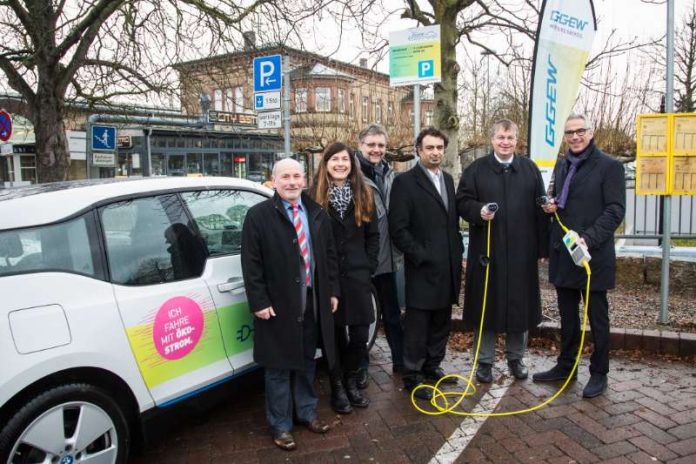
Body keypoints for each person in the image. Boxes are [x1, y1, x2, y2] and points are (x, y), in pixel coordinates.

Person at [241, 158, 339, 451]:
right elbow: (251, 263)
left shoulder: (317, 213)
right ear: (273, 181)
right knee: (278, 367)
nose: (292, 182)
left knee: (308, 360)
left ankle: (307, 412)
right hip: (278, 305)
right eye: (285, 177)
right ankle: (281, 426)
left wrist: (332, 291)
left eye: (297, 176)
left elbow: (329, 257)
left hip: (311, 300)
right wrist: (259, 300)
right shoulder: (258, 216)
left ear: (305, 180)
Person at [532, 114, 625, 398]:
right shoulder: (562, 165)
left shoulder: (610, 166)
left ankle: (599, 373)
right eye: (569, 132)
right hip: (565, 254)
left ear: (591, 132)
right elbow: (563, 205)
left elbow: (615, 210)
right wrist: (552, 209)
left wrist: (589, 238)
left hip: (592, 256)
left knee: (597, 318)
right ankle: (566, 366)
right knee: (568, 316)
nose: (575, 136)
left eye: (580, 131)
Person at [456, 119, 549, 384]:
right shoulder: (476, 170)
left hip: (522, 252)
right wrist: (479, 211)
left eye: (510, 137)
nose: (505, 142)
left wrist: (542, 247)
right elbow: (462, 202)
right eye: (500, 137)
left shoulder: (529, 170)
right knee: (487, 307)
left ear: (516, 140)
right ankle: (484, 361)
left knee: (519, 308)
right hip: (489, 252)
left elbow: (540, 209)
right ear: (492, 139)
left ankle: (515, 358)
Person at [388, 127, 463, 400]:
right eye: (429, 148)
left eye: (439, 148)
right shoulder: (405, 182)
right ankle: (413, 374)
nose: (435, 152)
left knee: (441, 321)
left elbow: (450, 221)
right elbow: (398, 229)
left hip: (448, 266)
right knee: (418, 325)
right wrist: (420, 256)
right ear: (418, 150)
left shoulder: (448, 179)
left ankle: (432, 366)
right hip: (422, 269)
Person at [310, 142, 379, 414]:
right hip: (328, 278)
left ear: (352, 164)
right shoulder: (312, 197)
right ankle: (337, 385)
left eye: (345, 160)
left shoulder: (364, 194)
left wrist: (368, 265)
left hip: (358, 276)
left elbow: (373, 237)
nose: (340, 164)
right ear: (325, 163)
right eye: (335, 159)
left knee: (360, 334)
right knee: (334, 335)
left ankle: (351, 380)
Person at [356, 124, 405, 380]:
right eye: (371, 145)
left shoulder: (391, 175)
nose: (376, 150)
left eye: (381, 145)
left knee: (393, 314)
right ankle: (361, 367)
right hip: (363, 259)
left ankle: (400, 361)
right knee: (363, 317)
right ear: (360, 145)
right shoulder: (350, 174)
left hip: (388, 257)